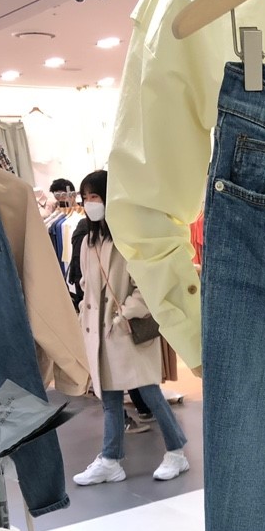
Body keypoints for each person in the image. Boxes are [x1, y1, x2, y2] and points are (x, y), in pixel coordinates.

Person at [73, 169, 190, 485]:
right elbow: (86, 286)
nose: (89, 203)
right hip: (100, 334)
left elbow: (146, 286)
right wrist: (85, 318)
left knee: (150, 392)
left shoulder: (129, 238)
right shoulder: (88, 241)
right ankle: (110, 460)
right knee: (110, 399)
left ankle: (176, 451)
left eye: (95, 196)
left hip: (124, 329)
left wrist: (123, 315)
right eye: (85, 197)